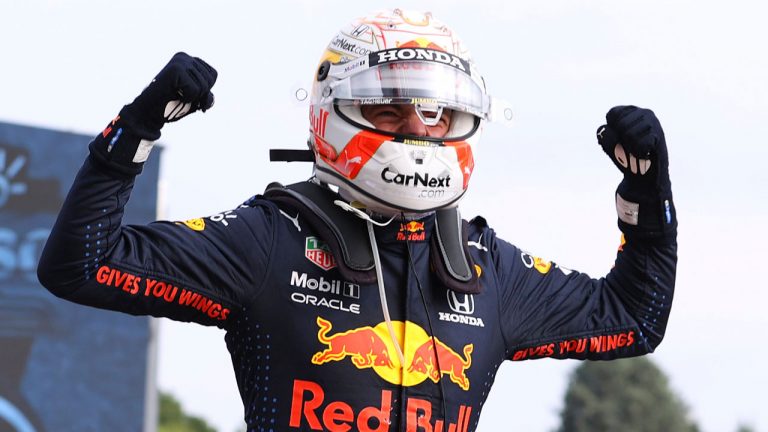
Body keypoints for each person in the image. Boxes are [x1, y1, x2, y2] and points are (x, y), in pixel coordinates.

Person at [37, 8, 677, 432]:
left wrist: (647, 193)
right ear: (332, 115)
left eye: (438, 116)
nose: (418, 133)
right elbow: (80, 265)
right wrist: (135, 130)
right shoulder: (270, 238)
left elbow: (635, 319)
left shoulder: (487, 270)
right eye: (393, 111)